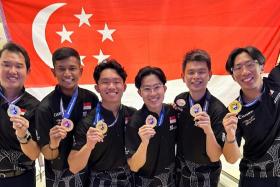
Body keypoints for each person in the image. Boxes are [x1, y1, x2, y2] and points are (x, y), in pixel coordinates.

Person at [36, 47, 99, 186]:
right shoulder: (45, 107)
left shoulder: (91, 99)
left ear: (81, 71)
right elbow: (47, 154)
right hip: (58, 177)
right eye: (61, 69)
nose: (67, 73)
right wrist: (53, 143)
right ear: (53, 72)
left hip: (88, 171)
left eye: (72, 68)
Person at [68, 59, 136, 186]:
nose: (111, 86)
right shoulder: (88, 122)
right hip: (99, 181)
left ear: (124, 86)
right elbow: (73, 167)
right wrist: (88, 145)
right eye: (105, 82)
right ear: (97, 88)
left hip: (129, 179)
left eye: (116, 82)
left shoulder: (133, 115)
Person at [223, 46, 280, 187]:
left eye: (250, 64)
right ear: (233, 76)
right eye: (238, 68)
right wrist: (230, 136)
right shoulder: (234, 112)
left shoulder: (276, 80)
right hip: (256, 178)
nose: (245, 71)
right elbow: (231, 159)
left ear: (261, 66)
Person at [174, 49, 227, 187]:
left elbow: (215, 156)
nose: (196, 76)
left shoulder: (218, 109)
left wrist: (208, 131)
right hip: (181, 169)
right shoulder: (179, 100)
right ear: (183, 76)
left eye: (201, 72)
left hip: (206, 174)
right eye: (191, 72)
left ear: (209, 75)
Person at [125, 66, 177, 186]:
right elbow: (133, 166)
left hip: (170, 180)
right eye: (147, 89)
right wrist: (144, 143)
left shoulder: (173, 112)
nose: (153, 93)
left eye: (157, 87)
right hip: (144, 182)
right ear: (140, 92)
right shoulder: (135, 122)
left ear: (164, 88)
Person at [0, 42, 40, 186]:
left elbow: (34, 154)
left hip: (21, 179)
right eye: (6, 64)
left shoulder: (35, 106)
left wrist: (23, 134)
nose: (12, 70)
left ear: (28, 71)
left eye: (18, 66)